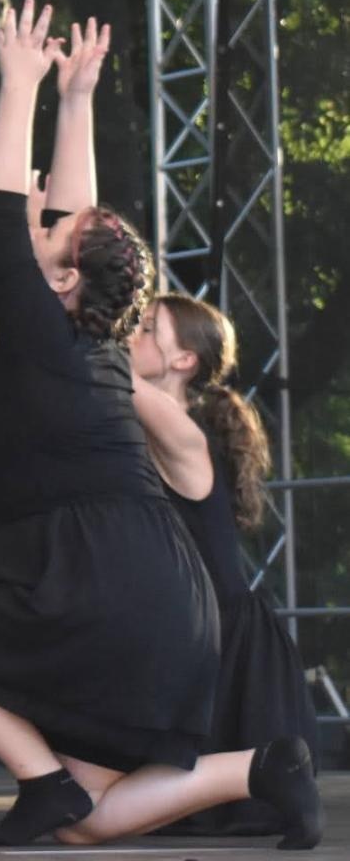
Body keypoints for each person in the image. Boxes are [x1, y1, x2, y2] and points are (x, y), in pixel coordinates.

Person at [0, 2, 322, 849]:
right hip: (148, 586)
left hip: (98, 581)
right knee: (88, 826)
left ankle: (38, 779)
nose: (45, 218)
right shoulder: (94, 342)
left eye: (57, 233)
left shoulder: (55, 336)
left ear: (65, 279)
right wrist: (73, 102)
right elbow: (54, 221)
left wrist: (19, 85)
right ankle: (260, 768)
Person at [131, 292, 320, 835]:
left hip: (222, 642)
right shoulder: (146, 423)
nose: (130, 337)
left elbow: (100, 369)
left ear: (183, 360)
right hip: (187, 628)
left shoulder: (185, 431)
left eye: (145, 330)